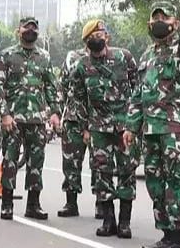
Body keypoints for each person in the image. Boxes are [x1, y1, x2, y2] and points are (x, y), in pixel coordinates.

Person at [125, 1, 180, 248]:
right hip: (151, 131)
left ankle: (178, 237)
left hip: (176, 130)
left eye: (164, 18)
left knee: (179, 182)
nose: (159, 22)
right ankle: (166, 234)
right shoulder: (146, 56)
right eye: (155, 18)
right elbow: (139, 94)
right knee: (155, 183)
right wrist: (131, 126)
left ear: (174, 23)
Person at [68, 18, 138, 238]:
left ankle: (124, 222)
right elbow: (78, 99)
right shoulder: (81, 67)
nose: (97, 38)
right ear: (86, 42)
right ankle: (109, 221)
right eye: (92, 37)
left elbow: (137, 89)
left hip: (125, 126)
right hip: (98, 128)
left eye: (100, 34)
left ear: (107, 36)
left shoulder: (124, 57)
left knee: (127, 171)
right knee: (101, 173)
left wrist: (135, 122)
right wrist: (85, 128)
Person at [0, 16, 61, 221]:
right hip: (13, 119)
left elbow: (51, 86)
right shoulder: (7, 56)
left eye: (34, 28)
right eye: (26, 28)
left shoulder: (44, 57)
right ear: (19, 31)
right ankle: (7, 204)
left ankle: (33, 205)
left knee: (36, 163)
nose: (30, 31)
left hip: (37, 120)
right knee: (10, 161)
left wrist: (55, 112)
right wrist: (5, 114)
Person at [57, 30, 93, 218]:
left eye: (101, 34)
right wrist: (59, 113)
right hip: (74, 119)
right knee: (71, 162)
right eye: (93, 35)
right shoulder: (73, 57)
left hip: (100, 119)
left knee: (100, 164)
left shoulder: (110, 59)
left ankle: (102, 204)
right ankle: (71, 203)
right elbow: (62, 86)